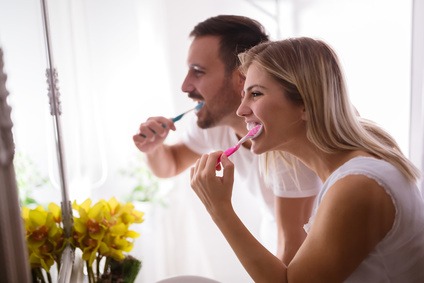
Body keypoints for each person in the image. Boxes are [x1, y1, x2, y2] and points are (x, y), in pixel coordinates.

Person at [189, 37, 424, 282]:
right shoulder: (357, 164)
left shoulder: (358, 186)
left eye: (256, 94)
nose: (241, 110)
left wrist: (220, 209)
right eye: (244, 95)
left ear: (305, 104)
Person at [133, 15, 321, 264]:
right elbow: (171, 164)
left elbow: (293, 250)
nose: (185, 85)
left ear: (242, 78)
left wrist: (218, 208)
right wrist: (154, 149)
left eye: (198, 72)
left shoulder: (286, 142)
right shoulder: (215, 120)